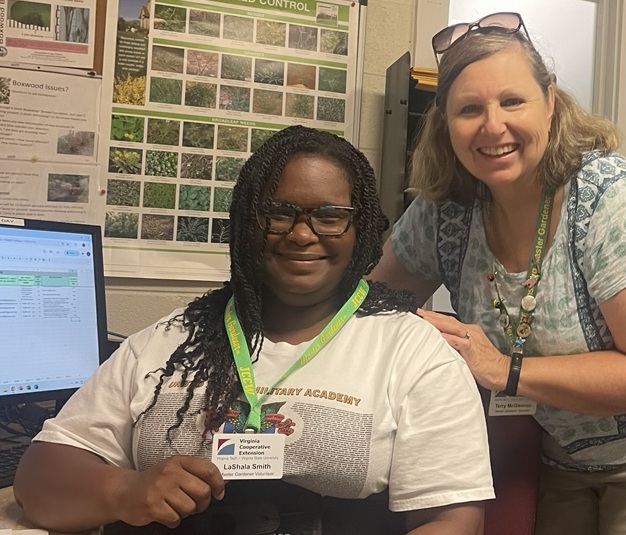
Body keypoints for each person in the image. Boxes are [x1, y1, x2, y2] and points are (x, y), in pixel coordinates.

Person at [13, 125, 494, 534]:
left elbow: (452, 518)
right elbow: (38, 481)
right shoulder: (167, 342)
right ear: (248, 221)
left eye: (329, 216)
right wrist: (123, 490)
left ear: (360, 229)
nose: (302, 234)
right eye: (279, 213)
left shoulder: (413, 352)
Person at [369, 11, 626, 535]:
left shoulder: (607, 195)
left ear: (550, 103)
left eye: (512, 101)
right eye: (469, 109)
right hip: (565, 454)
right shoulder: (445, 211)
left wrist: (503, 369)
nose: (493, 126)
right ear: (445, 122)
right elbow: (373, 304)